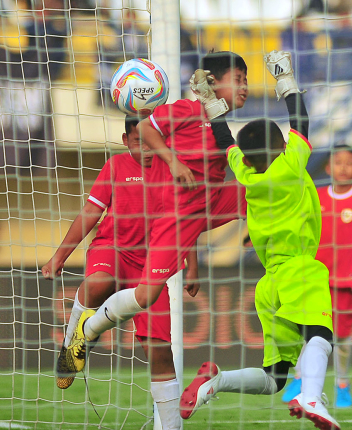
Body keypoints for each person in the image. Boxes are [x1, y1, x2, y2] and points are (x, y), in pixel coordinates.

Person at [63, 52, 250, 429]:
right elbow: (149, 128)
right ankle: (89, 328)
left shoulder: (219, 120)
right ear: (213, 82)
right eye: (238, 79)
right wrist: (174, 161)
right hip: (178, 214)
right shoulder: (182, 109)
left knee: (265, 190)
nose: (245, 87)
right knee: (145, 297)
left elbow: (232, 164)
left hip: (208, 202)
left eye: (246, 80)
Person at [179, 51, 339, 430]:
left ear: (248, 158)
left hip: (269, 284)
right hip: (301, 268)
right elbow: (301, 119)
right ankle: (311, 396)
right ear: (281, 147)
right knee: (321, 335)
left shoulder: (247, 175)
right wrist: (283, 75)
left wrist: (209, 103)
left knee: (274, 377)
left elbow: (225, 141)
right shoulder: (289, 166)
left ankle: (218, 381)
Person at [41, 117, 200, 430]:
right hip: (111, 249)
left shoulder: (174, 171)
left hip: (153, 264)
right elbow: (90, 212)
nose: (145, 148)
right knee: (99, 283)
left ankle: (170, 426)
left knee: (160, 351)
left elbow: (187, 219)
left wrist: (192, 263)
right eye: (138, 141)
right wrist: (59, 256)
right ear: (126, 140)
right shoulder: (115, 166)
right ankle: (75, 342)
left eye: (150, 140)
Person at [282, 145, 352, 408]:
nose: (343, 167)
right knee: (310, 332)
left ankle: (342, 384)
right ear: (328, 168)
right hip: (314, 279)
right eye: (338, 162)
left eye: (349, 163)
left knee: (342, 339)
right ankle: (300, 378)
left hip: (345, 282)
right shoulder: (317, 197)